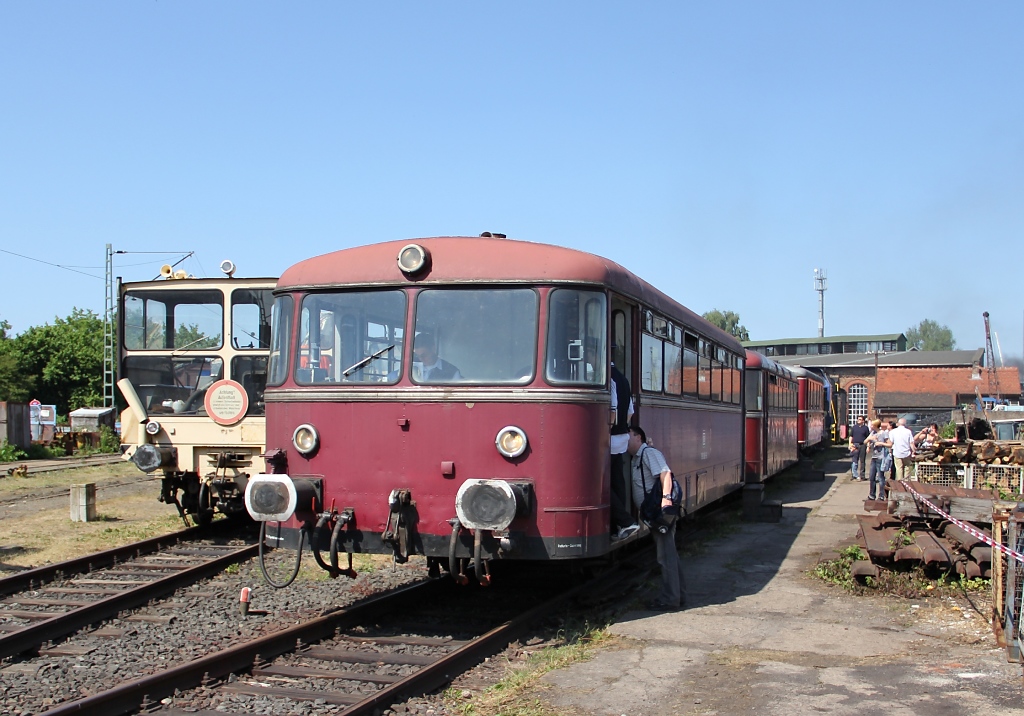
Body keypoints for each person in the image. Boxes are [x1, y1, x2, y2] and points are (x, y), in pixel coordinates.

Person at [628, 425, 685, 610]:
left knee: (665, 557)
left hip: (660, 512)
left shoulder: (648, 453)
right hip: (652, 513)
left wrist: (666, 499)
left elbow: (665, 473)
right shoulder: (636, 458)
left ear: (638, 437)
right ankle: (678, 595)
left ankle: (670, 599)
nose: (625, 439)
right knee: (670, 555)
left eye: (628, 435)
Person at [610, 361, 637, 539]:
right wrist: (622, 427)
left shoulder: (608, 378)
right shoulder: (624, 380)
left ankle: (625, 521)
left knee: (601, 484)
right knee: (617, 480)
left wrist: (608, 429)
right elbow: (629, 413)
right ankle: (619, 525)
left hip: (609, 438)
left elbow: (612, 410)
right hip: (621, 439)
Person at [865, 420, 892, 502]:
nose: (871, 426)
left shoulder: (883, 433)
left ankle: (881, 495)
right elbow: (865, 441)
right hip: (874, 457)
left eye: (872, 425)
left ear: (876, 425)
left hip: (881, 458)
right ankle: (872, 495)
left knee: (880, 477)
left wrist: (881, 443)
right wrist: (868, 443)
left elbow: (890, 444)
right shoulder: (873, 433)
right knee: (872, 477)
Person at [849, 416, 870, 481]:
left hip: (863, 445)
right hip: (855, 445)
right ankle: (854, 475)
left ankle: (862, 476)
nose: (858, 420)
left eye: (860, 419)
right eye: (858, 419)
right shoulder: (854, 427)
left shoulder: (865, 428)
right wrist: (850, 444)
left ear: (863, 421)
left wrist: (868, 447)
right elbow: (851, 436)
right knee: (854, 460)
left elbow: (868, 438)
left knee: (862, 461)